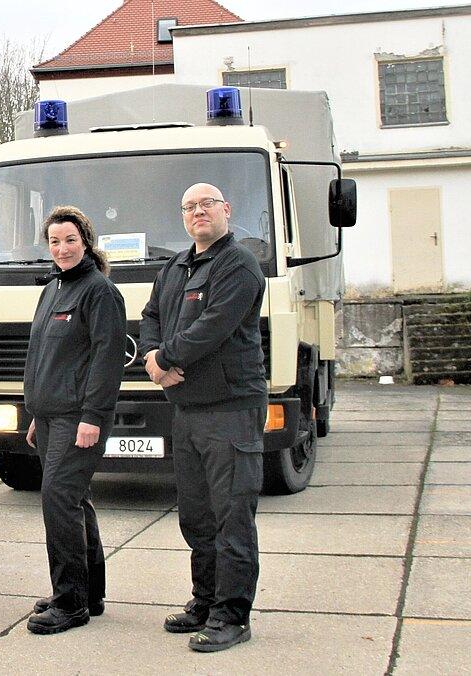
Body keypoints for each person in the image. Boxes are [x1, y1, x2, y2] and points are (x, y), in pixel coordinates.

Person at [139, 183, 267, 652]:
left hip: (230, 409)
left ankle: (232, 616)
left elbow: (213, 325)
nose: (198, 212)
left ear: (226, 210)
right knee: (196, 515)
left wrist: (166, 359)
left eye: (206, 204)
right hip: (187, 410)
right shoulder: (175, 266)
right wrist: (152, 355)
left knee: (232, 515)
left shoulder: (239, 265)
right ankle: (205, 601)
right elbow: (151, 315)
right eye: (189, 206)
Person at [23, 206, 126, 635]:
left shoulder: (98, 291)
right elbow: (43, 357)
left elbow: (107, 361)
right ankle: (89, 593)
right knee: (75, 502)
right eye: (54, 241)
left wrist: (93, 417)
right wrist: (35, 414)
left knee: (59, 503)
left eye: (69, 240)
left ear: (86, 240)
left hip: (77, 419)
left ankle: (70, 604)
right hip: (49, 419)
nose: (62, 248)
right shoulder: (53, 289)